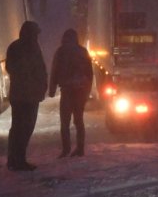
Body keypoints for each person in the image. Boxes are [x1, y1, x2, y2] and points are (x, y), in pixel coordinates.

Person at [6, 21, 47, 171]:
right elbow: (14, 68)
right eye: (35, 33)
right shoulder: (22, 48)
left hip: (25, 95)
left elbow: (40, 68)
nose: (36, 36)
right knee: (22, 127)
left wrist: (42, 84)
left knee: (21, 127)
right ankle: (17, 159)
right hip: (24, 95)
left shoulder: (19, 47)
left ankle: (15, 158)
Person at [48, 28, 93, 157]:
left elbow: (55, 70)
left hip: (67, 90)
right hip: (80, 90)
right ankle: (80, 148)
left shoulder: (61, 51)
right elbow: (89, 73)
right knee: (79, 120)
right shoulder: (83, 51)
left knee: (65, 121)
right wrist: (87, 91)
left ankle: (66, 149)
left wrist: (52, 89)